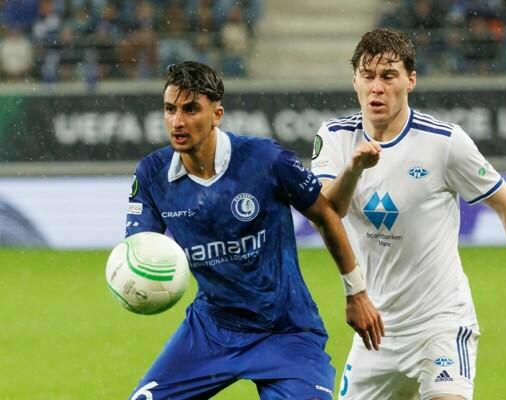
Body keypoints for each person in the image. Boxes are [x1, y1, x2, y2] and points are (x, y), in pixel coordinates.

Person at [311, 28, 506, 400]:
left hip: (440, 324)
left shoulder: (444, 143)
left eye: (388, 76)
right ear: (354, 79)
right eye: (367, 76)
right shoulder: (335, 137)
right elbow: (327, 213)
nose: (376, 88)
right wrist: (354, 169)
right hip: (376, 330)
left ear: (411, 80)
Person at [124, 61, 383, 400]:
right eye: (170, 109)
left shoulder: (265, 159)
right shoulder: (152, 174)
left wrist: (356, 292)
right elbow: (139, 249)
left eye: (190, 109)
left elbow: (326, 214)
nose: (177, 121)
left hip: (286, 331)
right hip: (210, 331)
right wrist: (137, 279)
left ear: (217, 114)